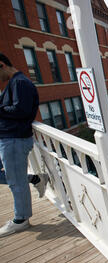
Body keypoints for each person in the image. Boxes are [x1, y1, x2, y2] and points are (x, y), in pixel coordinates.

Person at [0, 53, 48, 238]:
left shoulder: (20, 83)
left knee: (16, 182)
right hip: (9, 138)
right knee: (14, 178)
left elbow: (22, 110)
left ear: (1, 65)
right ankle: (36, 179)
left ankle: (21, 220)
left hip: (14, 139)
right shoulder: (12, 84)